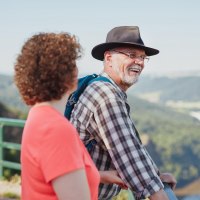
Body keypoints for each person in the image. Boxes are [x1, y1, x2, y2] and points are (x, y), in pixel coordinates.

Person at [70, 26, 178, 200]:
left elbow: (131, 146)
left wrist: (156, 176)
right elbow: (129, 157)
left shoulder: (97, 85)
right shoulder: (106, 96)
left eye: (143, 57)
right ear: (109, 58)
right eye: (131, 55)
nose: (139, 62)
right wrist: (160, 194)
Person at [14, 32, 125, 200]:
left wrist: (98, 175)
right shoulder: (57, 129)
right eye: (73, 64)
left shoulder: (37, 116)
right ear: (69, 75)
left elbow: (52, 175)